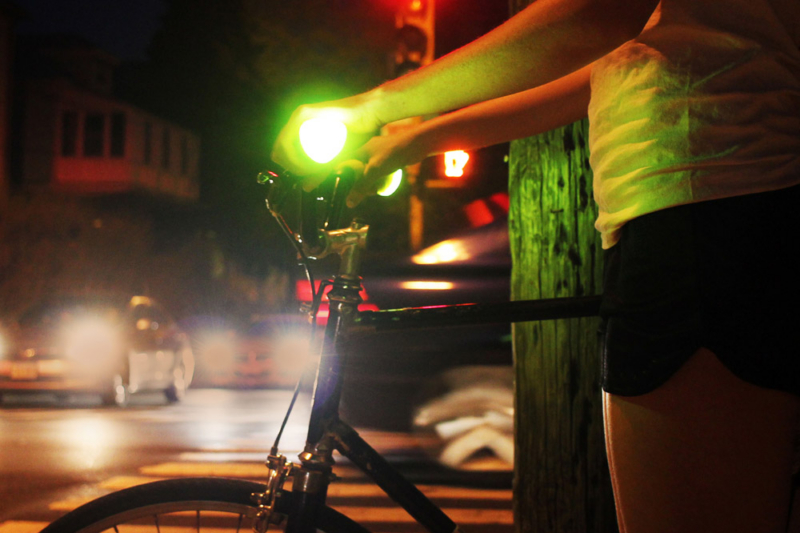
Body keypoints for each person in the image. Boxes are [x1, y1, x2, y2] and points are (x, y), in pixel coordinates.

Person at [272, 0, 800, 531]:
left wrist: (378, 104)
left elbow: (599, 13)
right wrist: (418, 137)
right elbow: (608, 64)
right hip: (687, 210)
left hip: (707, 206)